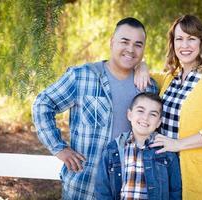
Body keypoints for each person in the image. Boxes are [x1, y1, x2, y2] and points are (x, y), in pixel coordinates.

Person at [32, 17, 158, 200]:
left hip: (129, 189)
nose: (131, 49)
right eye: (124, 41)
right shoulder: (82, 76)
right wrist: (59, 148)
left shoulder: (148, 87)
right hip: (84, 187)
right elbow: (43, 104)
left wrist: (144, 66)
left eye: (138, 44)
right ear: (112, 42)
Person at [135, 15, 202, 199]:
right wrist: (142, 65)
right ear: (173, 43)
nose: (185, 45)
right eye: (179, 39)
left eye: (191, 39)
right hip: (163, 175)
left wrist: (178, 144)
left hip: (196, 178)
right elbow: (144, 74)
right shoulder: (170, 78)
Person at [95, 92, 182, 200]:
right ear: (129, 115)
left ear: (159, 122)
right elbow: (102, 189)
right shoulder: (113, 149)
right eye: (140, 111)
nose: (145, 118)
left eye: (153, 114)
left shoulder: (166, 151)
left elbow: (175, 191)